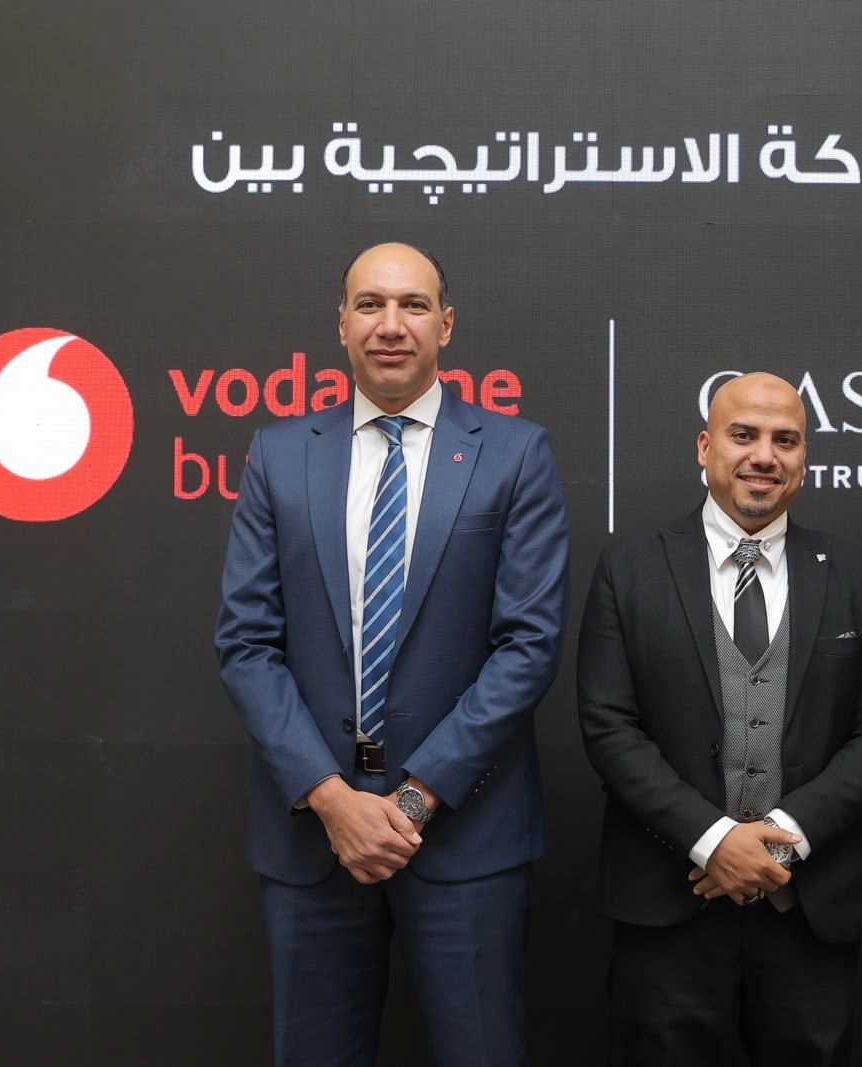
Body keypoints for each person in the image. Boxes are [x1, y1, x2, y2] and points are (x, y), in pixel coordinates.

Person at [216, 242, 569, 1066]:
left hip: (467, 836)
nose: (390, 324)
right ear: (340, 324)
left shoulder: (516, 454)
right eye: (370, 304)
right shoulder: (280, 453)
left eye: (413, 305)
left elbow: (529, 645)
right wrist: (332, 799)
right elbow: (246, 643)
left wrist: (412, 801)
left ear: (446, 325)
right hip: (313, 839)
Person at [578, 372, 862, 1065]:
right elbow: (609, 725)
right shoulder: (630, 566)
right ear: (705, 447)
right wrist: (714, 840)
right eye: (743, 435)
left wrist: (781, 841)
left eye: (785, 440)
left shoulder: (854, 571)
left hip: (809, 906)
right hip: (669, 899)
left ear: (804, 457)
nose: (764, 455)